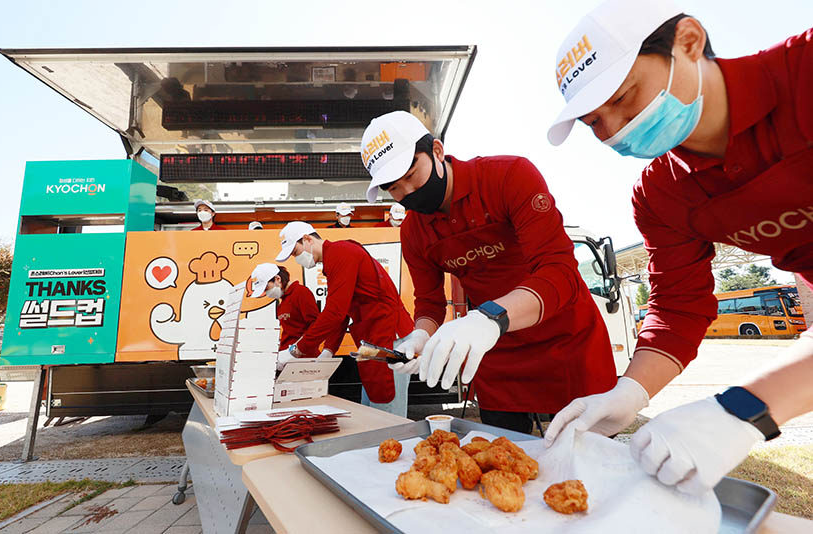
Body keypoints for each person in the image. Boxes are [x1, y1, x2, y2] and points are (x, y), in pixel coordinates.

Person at [545, 0, 813, 494]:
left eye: (624, 97)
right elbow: (679, 304)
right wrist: (628, 392)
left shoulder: (804, 74)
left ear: (688, 42)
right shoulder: (662, 194)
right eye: (593, 123)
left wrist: (743, 410)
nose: (616, 128)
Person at [360, 110, 617, 433]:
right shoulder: (413, 232)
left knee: (590, 457)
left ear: (437, 151)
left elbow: (558, 270)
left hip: (565, 339)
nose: (408, 192)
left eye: (411, 174)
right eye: (394, 188)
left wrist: (489, 317)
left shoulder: (507, 177)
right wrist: (421, 335)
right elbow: (429, 302)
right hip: (496, 353)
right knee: (504, 460)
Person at [274, 221, 413, 416]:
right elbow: (341, 312)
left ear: (307, 239)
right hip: (373, 339)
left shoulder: (341, 253)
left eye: (296, 252)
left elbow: (335, 312)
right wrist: (329, 350)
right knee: (372, 407)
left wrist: (297, 350)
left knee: (387, 412)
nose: (297, 259)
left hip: (388, 335)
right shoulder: (336, 258)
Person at [246, 263, 338, 369]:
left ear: (277, 279)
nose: (266, 292)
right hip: (287, 361)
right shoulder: (282, 302)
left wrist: (293, 351)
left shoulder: (301, 293)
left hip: (303, 361)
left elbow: (315, 325)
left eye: (266, 287)